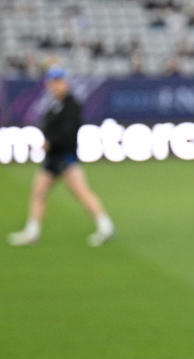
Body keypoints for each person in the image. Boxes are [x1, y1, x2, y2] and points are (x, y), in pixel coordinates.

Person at [8, 67, 115, 247]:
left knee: (81, 193)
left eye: (58, 82)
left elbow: (67, 132)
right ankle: (32, 231)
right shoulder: (54, 104)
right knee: (38, 193)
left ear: (65, 83)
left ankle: (105, 225)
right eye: (52, 83)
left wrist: (51, 142)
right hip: (53, 158)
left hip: (65, 158)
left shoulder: (71, 104)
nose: (55, 86)